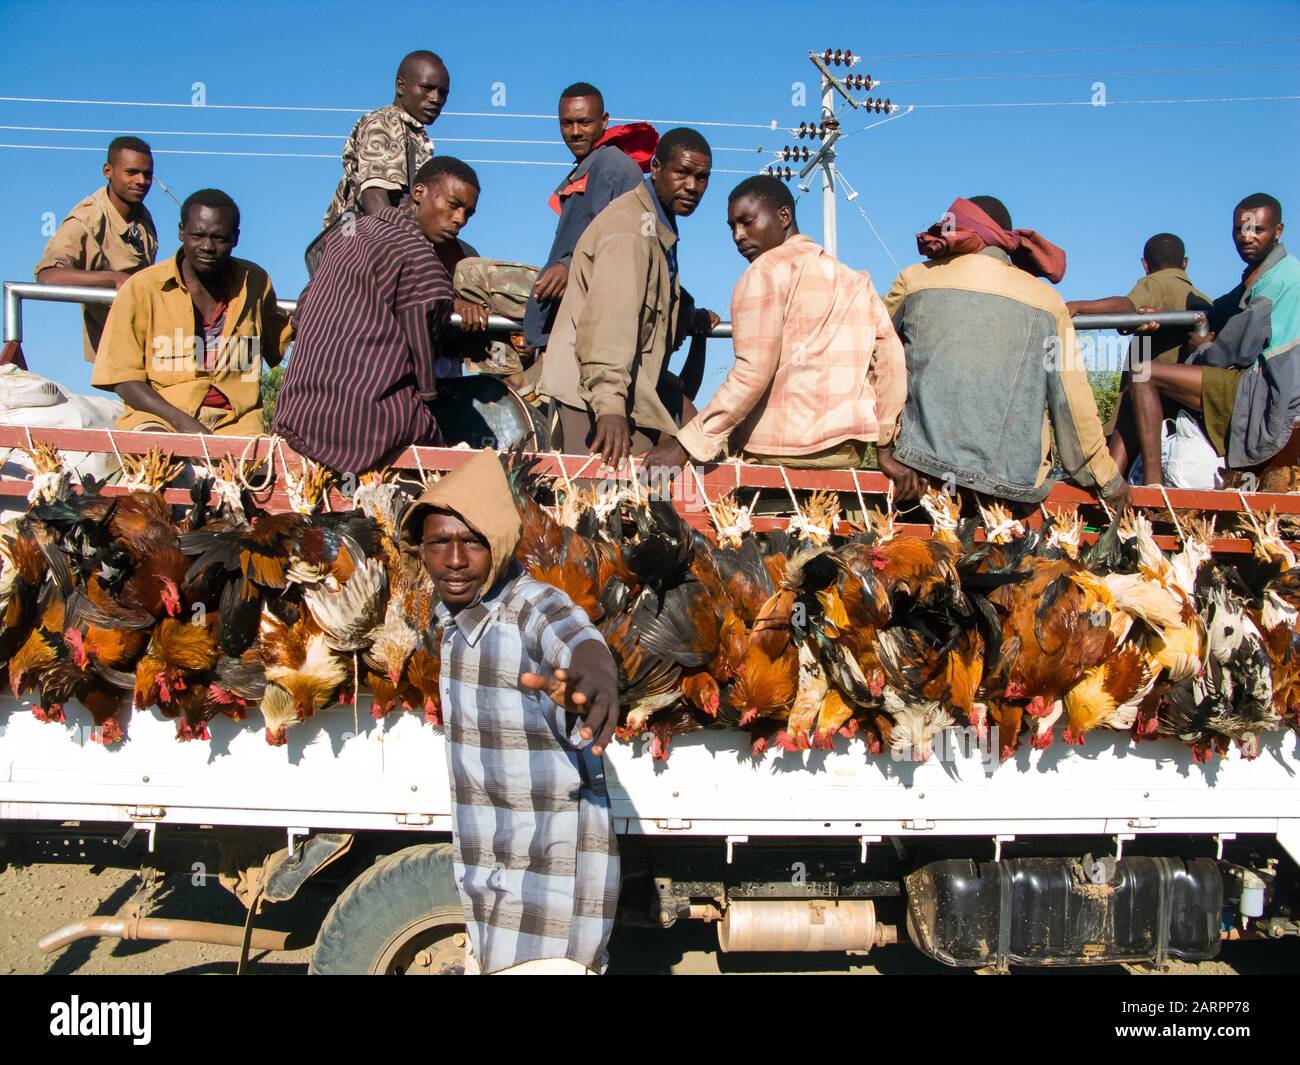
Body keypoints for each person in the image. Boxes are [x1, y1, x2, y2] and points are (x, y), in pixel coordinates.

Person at [398, 448, 621, 975]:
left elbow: (577, 638)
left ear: (497, 544)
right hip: (493, 898)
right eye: (439, 544)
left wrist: (595, 677)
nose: (454, 560)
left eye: (471, 543)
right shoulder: (452, 617)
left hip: (550, 905)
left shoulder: (531, 606)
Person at [645, 175, 923, 495]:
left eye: (747, 222)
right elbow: (889, 365)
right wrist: (885, 446)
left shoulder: (764, 273)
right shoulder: (855, 281)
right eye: (732, 227)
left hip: (777, 450)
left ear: (784, 216)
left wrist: (685, 445)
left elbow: (752, 373)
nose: (738, 236)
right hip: (845, 452)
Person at [885, 195, 1130, 510]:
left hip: (919, 474)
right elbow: (1072, 405)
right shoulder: (1048, 301)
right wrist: (1108, 480)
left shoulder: (914, 279)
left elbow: (871, 354)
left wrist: (882, 446)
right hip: (1010, 489)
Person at [275, 158, 481, 474]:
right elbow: (426, 378)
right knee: (453, 458)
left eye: (468, 213)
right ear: (418, 191)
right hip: (365, 428)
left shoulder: (346, 234)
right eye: (454, 205)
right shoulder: (425, 266)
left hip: (296, 413)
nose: (460, 220)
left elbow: (302, 314)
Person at [541, 127, 717, 469]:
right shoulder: (631, 230)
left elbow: (652, 295)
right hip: (591, 396)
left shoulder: (657, 224)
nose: (693, 186)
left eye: (702, 177)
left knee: (634, 504)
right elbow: (611, 320)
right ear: (655, 168)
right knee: (596, 508)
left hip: (625, 390)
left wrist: (689, 310)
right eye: (682, 172)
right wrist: (609, 407)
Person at [1124, 193, 1300, 483]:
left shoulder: (1277, 281)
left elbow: (1231, 352)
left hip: (1265, 392)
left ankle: (1152, 487)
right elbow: (1220, 309)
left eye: (1258, 230)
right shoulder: (1264, 275)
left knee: (1143, 374)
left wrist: (1204, 347)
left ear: (1277, 232)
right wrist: (1167, 312)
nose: (1246, 237)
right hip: (1265, 384)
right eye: (1239, 230)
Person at [91, 189, 291, 435]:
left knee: (258, 467)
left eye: (220, 238)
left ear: (235, 238)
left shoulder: (255, 282)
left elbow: (279, 340)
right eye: (197, 235)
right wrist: (183, 424)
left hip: (237, 421)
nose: (207, 246)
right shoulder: (143, 288)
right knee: (160, 460)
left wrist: (316, 310)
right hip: (160, 417)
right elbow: (122, 377)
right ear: (180, 232)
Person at [521, 82, 655, 351]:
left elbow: (622, 239)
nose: (574, 132)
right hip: (571, 315)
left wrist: (570, 265)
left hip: (594, 321)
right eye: (566, 124)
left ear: (604, 121)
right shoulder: (589, 166)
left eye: (584, 122)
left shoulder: (613, 166)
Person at [1067, 233, 1213, 475]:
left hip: (1143, 404)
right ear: (1185, 263)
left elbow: (1127, 307)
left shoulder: (1154, 284)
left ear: (1145, 264)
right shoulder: (1203, 301)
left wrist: (1078, 307)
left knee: (1113, 466)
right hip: (1180, 406)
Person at [35, 136, 159, 363]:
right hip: (114, 348)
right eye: (131, 172)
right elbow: (47, 275)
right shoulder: (88, 218)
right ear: (108, 171)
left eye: (147, 174)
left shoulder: (143, 217)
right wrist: (114, 279)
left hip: (147, 338)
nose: (141, 181)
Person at [320, 50, 449, 231]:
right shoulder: (384, 122)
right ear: (400, 86)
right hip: (361, 245)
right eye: (427, 88)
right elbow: (375, 201)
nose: (436, 99)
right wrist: (409, 252)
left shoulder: (414, 132)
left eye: (443, 93)